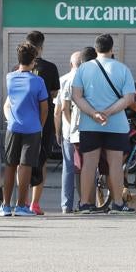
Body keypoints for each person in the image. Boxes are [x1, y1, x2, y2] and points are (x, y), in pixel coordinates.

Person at [72, 34, 136, 215]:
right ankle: (117, 203)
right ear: (111, 48)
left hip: (89, 124)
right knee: (115, 164)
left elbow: (76, 96)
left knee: (89, 164)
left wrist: (94, 113)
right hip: (116, 125)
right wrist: (108, 112)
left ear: (96, 48)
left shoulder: (83, 69)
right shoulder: (123, 69)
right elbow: (129, 98)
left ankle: (85, 203)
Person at [0, 42, 48, 217]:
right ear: (33, 61)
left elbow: (10, 102)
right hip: (32, 128)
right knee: (25, 166)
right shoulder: (38, 81)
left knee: (10, 165)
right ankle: (22, 206)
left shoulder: (10, 77)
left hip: (13, 126)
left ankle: (5, 206)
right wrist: (39, 125)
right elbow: (44, 108)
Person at [24, 31, 61, 216]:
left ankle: (21, 201)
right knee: (42, 159)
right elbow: (54, 93)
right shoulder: (51, 67)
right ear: (41, 46)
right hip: (44, 119)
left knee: (23, 160)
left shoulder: (19, 68)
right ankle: (34, 203)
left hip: (23, 118)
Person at [54, 51, 84, 214]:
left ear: (71, 63)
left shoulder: (63, 80)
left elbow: (57, 111)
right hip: (84, 131)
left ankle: (66, 204)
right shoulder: (86, 79)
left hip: (67, 132)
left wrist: (57, 132)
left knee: (68, 167)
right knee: (87, 167)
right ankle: (86, 201)